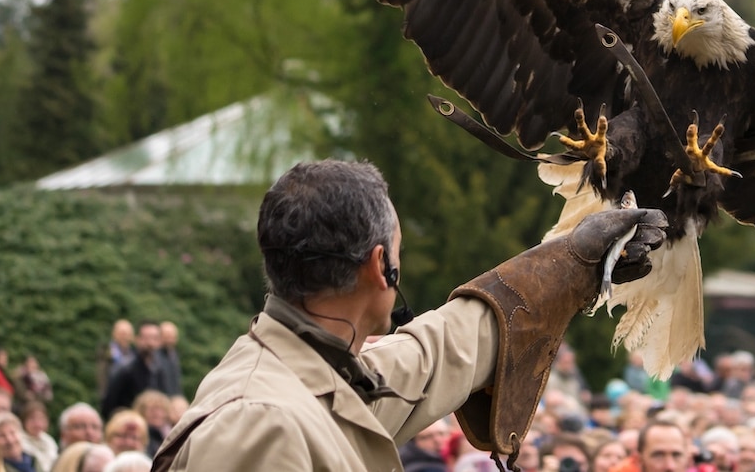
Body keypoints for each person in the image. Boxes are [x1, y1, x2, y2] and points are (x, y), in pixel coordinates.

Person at [151, 160, 666, 471]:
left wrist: (570, 264)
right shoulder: (260, 423)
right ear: (382, 266)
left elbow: (436, 353)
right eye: (398, 249)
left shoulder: (321, 376)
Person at [100, 322, 165, 420]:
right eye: (146, 338)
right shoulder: (125, 369)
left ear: (160, 342)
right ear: (137, 340)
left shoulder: (159, 369)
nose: (150, 343)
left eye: (154, 338)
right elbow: (109, 404)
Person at [98, 321, 135, 398]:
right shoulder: (107, 352)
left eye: (127, 334)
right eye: (121, 333)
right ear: (114, 334)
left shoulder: (134, 353)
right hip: (112, 394)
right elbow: (103, 375)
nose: (124, 337)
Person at [18, 402, 56, 472]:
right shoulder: (18, 440)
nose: (37, 423)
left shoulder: (49, 441)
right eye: (32, 419)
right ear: (24, 421)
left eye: (41, 418)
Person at [130, 392, 169, 458]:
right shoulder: (136, 433)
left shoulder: (165, 433)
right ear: (142, 411)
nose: (158, 413)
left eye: (162, 409)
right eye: (153, 409)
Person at [156, 324, 181, 398]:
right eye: (167, 337)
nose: (170, 340)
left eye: (172, 337)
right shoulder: (154, 357)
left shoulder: (174, 355)